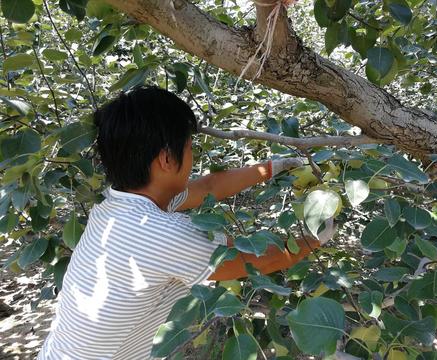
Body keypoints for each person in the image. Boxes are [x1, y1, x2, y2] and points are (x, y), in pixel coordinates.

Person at [38, 86, 335, 359]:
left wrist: (273, 167)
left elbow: (208, 187)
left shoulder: (118, 204)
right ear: (166, 159)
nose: (192, 156)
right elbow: (258, 259)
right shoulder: (163, 235)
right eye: (190, 147)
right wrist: (315, 238)